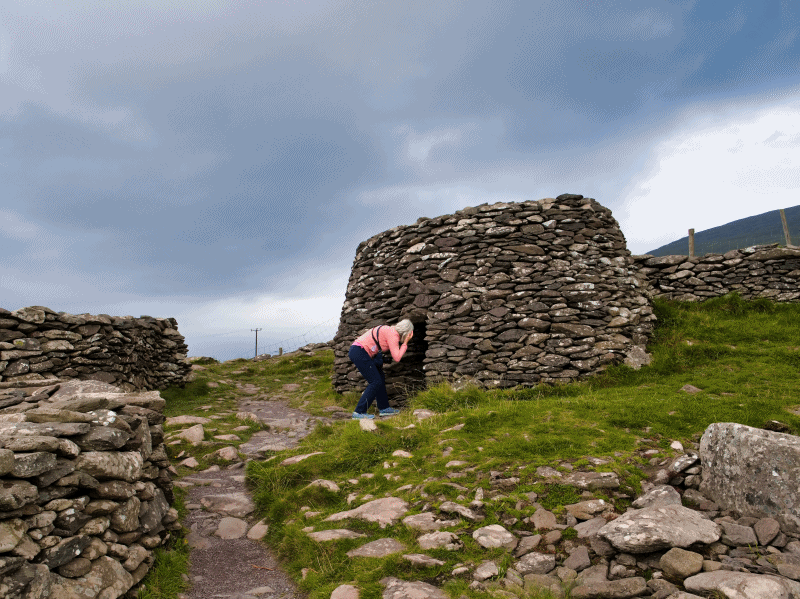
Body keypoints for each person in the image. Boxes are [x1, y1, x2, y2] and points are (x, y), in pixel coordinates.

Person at [348, 319, 414, 419]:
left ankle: (384, 408)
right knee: (375, 381)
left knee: (380, 379)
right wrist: (405, 343)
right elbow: (397, 358)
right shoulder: (393, 335)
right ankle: (359, 412)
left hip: (360, 351)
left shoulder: (390, 330)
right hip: (359, 352)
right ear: (406, 333)